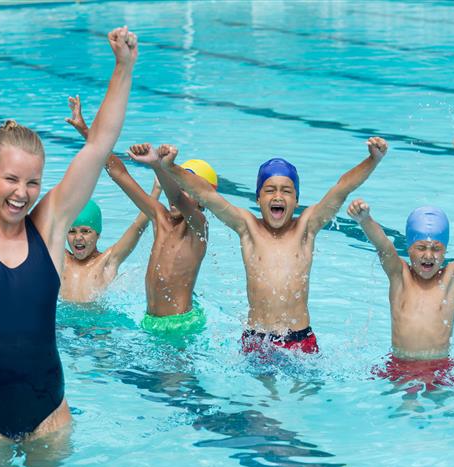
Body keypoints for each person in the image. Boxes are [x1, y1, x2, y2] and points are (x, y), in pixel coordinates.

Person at [0, 20, 138, 440]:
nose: (22, 194)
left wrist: (123, 67)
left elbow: (98, 146)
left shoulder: (50, 229)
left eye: (32, 183)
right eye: (11, 180)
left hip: (50, 414)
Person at [157, 137, 389, 355]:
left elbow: (341, 188)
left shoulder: (305, 228)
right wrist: (171, 167)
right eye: (270, 190)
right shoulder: (248, 227)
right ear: (258, 198)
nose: (278, 196)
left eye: (286, 191)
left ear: (296, 200)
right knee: (257, 399)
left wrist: (373, 160)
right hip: (257, 339)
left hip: (300, 339)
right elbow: (205, 194)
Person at [66, 96, 217, 337]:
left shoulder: (200, 227)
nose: (178, 192)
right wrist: (87, 132)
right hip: (150, 323)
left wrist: (159, 165)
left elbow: (177, 198)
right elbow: (120, 174)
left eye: (187, 189)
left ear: (204, 198)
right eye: (177, 184)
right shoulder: (160, 218)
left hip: (181, 326)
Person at [347, 173, 454, 392]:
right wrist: (365, 220)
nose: (428, 255)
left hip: (441, 367)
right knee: (405, 411)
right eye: (421, 247)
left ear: (445, 250)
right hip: (399, 365)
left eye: (436, 248)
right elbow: (383, 244)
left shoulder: (451, 277)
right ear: (409, 247)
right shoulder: (399, 275)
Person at [61, 97, 160, 304]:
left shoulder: (106, 262)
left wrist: (156, 191)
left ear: (98, 234)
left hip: (98, 332)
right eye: (72, 231)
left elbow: (138, 226)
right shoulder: (60, 260)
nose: (78, 238)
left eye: (86, 231)